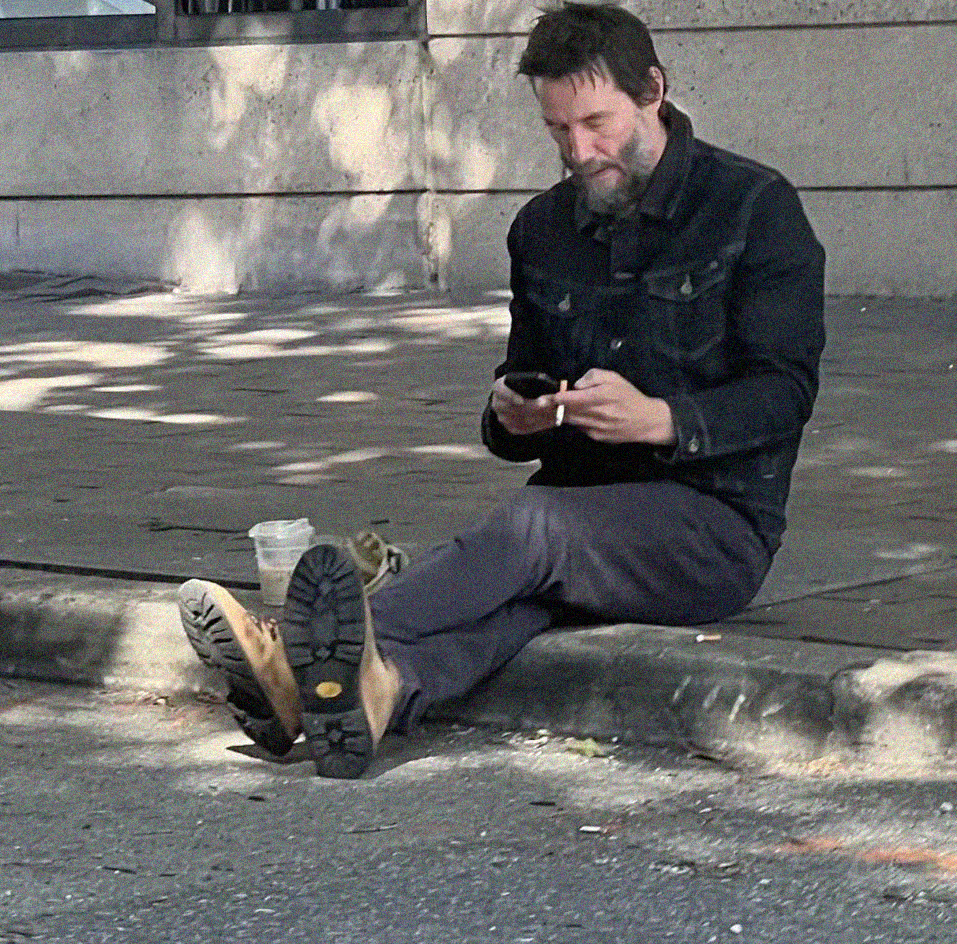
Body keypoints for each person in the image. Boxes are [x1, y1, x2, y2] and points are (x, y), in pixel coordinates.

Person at [178, 1, 826, 779]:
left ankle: (297, 651)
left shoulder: (755, 207)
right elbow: (516, 398)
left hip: (714, 527)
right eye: (558, 130)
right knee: (515, 605)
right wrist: (512, 416)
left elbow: (783, 395)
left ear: (654, 90)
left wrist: (660, 419)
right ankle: (379, 691)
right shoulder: (542, 229)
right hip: (581, 516)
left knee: (533, 529)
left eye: (598, 123)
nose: (581, 152)